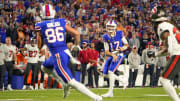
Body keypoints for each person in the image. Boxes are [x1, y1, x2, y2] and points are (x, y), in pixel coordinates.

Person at [35, 4, 102, 101]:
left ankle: (96, 98)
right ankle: (63, 83)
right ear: (53, 12)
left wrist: (40, 46)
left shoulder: (40, 25)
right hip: (64, 52)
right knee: (44, 66)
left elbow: (39, 42)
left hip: (58, 55)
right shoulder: (61, 21)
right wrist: (76, 45)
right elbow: (77, 33)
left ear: (41, 13)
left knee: (71, 82)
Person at [151, 5, 180, 101]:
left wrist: (156, 53)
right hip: (177, 51)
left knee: (164, 80)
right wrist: (156, 54)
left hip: (178, 53)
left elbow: (168, 48)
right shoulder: (169, 24)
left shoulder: (162, 26)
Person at [101, 20, 129, 97]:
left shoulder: (119, 33)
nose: (110, 28)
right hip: (111, 55)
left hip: (119, 55)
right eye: (108, 27)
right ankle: (123, 81)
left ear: (115, 27)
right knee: (105, 74)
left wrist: (122, 49)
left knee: (111, 72)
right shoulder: (105, 37)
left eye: (111, 26)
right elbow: (106, 51)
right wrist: (112, 55)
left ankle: (110, 92)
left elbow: (126, 45)